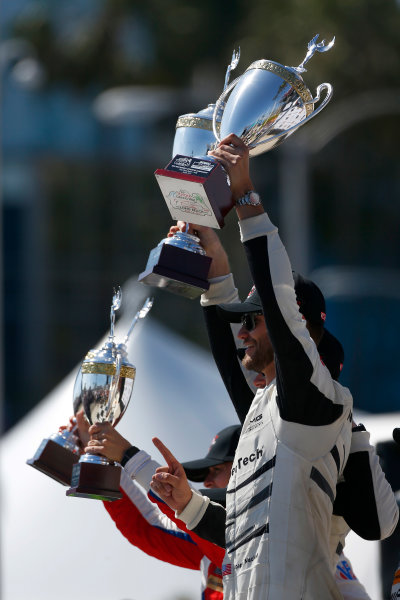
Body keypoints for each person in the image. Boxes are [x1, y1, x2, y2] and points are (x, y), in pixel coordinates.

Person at [149, 133, 357, 599]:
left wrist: (245, 196)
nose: (243, 333)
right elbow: (239, 533)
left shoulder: (319, 402)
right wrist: (216, 266)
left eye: (253, 322)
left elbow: (279, 305)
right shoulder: (269, 414)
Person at [75, 414, 239, 600]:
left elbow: (190, 510)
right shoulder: (205, 543)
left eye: (217, 470)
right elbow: (144, 526)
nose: (207, 483)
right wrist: (99, 459)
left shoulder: (264, 533)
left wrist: (127, 455)